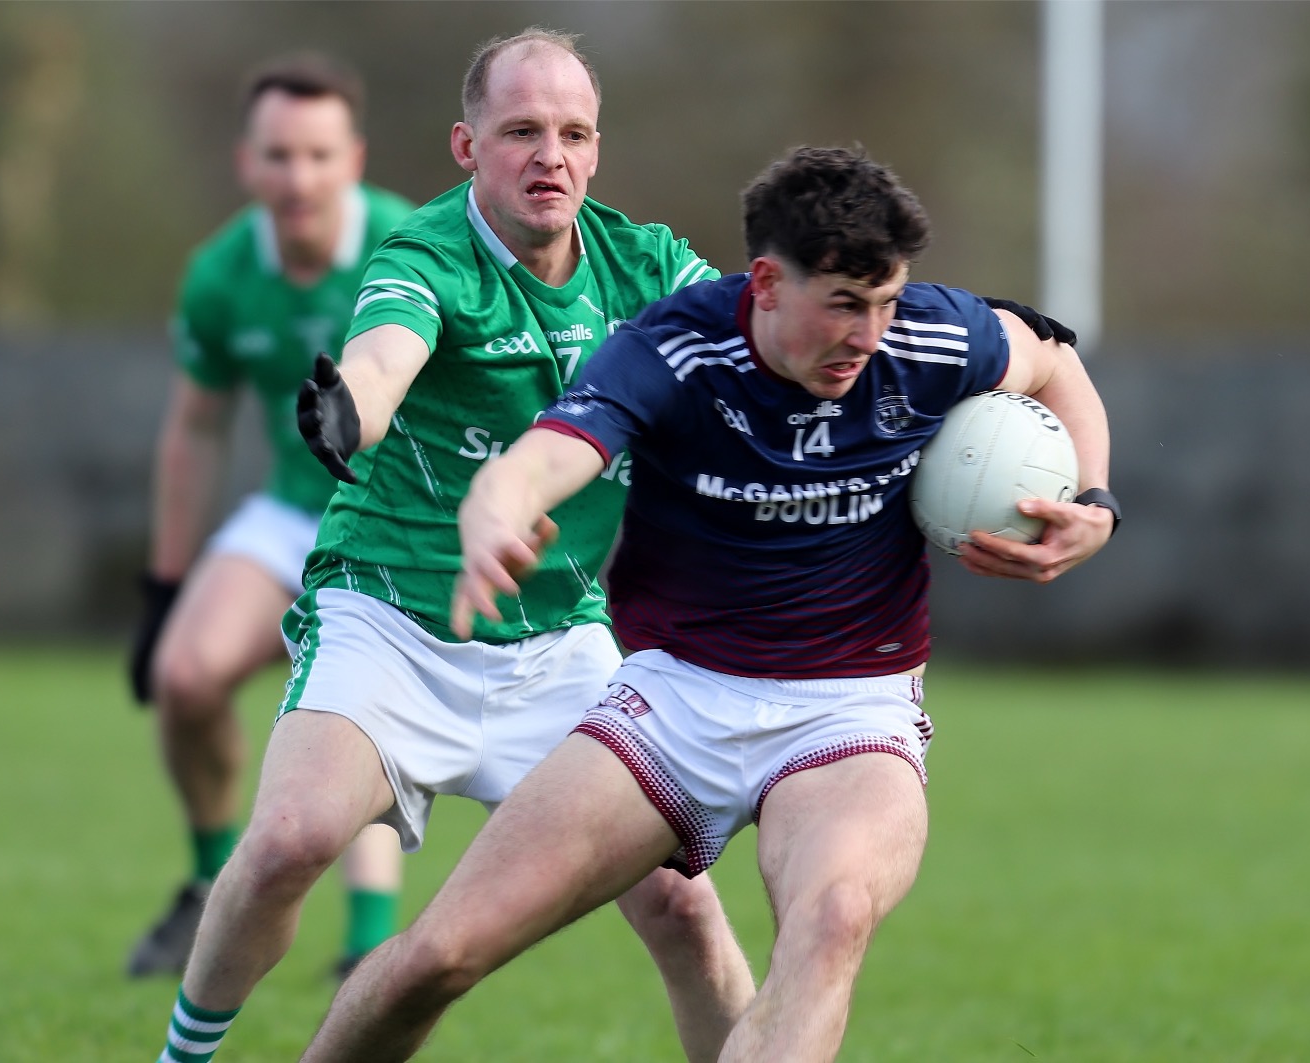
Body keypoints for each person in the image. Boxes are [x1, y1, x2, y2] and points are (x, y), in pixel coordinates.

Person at [298, 145, 1120, 1062]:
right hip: (674, 701)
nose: (869, 333)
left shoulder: (932, 338)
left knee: (832, 917)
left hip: (850, 707)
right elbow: (541, 457)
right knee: (437, 958)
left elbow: (1054, 360)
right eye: (843, 304)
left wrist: (1095, 502)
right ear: (765, 282)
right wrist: (495, 511)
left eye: (886, 301)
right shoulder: (674, 349)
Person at [150, 29, 755, 1063]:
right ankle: (183, 1056)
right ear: (468, 146)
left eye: (573, 133)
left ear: (597, 150)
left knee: (682, 907)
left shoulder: (647, 264)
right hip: (389, 620)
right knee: (291, 838)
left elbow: (757, 346)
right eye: (521, 131)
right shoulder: (424, 253)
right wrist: (352, 404)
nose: (550, 155)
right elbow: (385, 355)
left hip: (559, 640)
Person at [126, 53, 417, 981]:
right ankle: (210, 885)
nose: (299, 178)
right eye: (279, 155)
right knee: (183, 676)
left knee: (356, 705)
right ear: (246, 162)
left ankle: (369, 939)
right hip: (290, 512)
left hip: (394, 523)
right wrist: (163, 586)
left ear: (354, 159)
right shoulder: (220, 274)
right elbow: (195, 431)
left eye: (319, 155)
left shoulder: (411, 245)